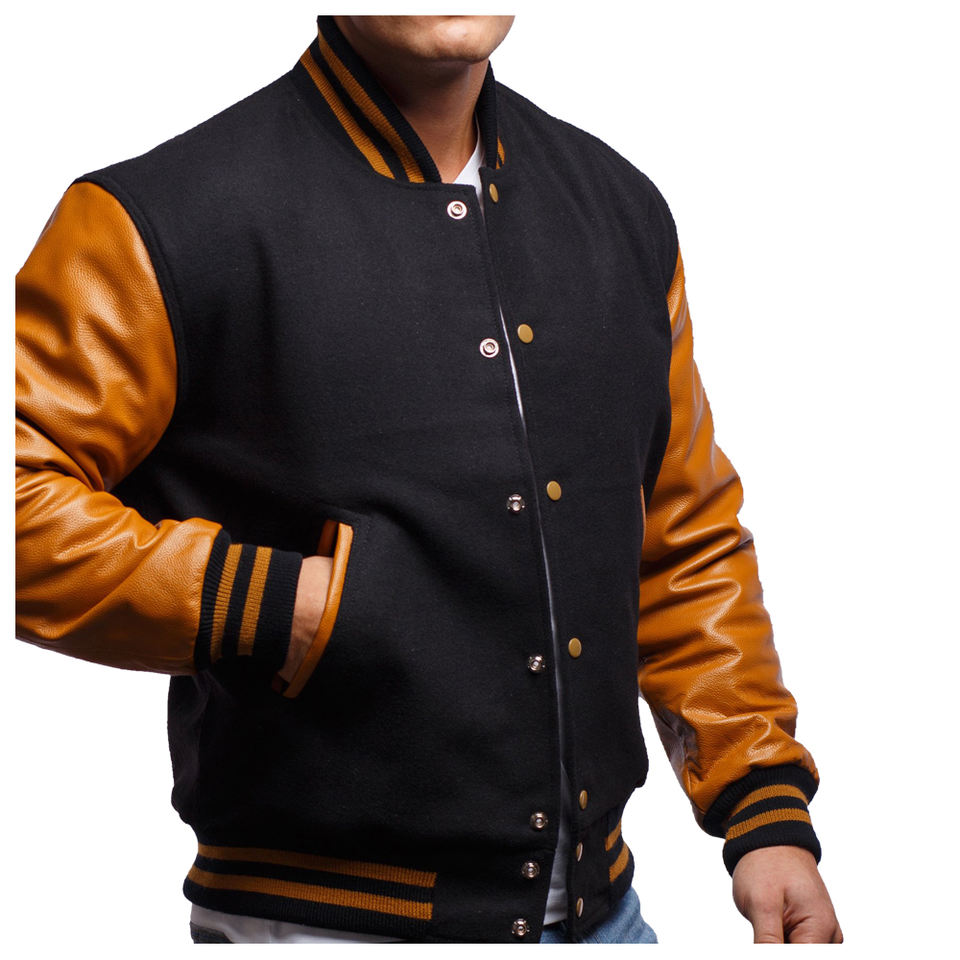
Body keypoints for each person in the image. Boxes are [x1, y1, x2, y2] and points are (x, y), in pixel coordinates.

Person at [14, 14, 842, 944]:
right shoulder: (160, 215)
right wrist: (281, 607)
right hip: (321, 928)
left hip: (609, 918)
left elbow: (681, 536)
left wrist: (762, 811)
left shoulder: (618, 207)